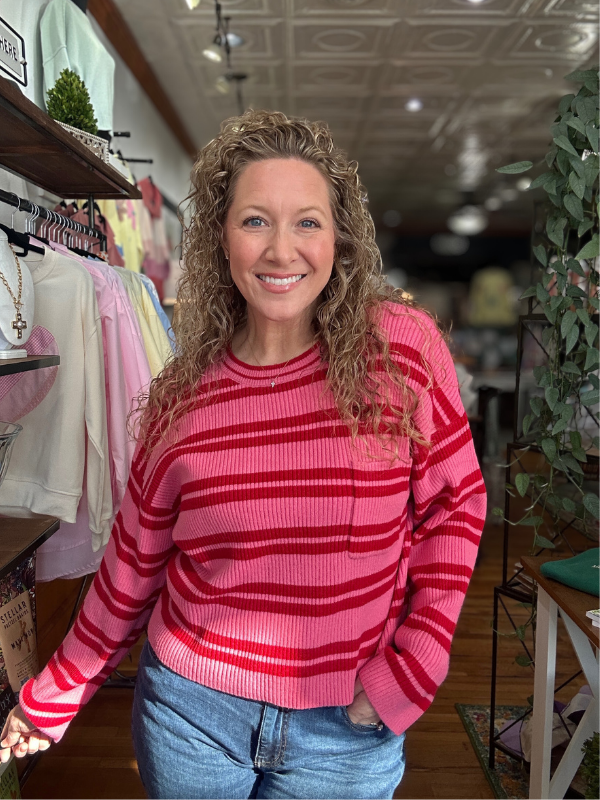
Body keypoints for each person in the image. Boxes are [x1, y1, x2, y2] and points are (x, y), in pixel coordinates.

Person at [0, 110, 486, 800]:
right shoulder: (180, 397)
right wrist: (52, 695)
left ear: (339, 238)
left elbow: (457, 504)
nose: (281, 250)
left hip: (345, 731)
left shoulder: (401, 349)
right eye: (255, 220)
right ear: (221, 240)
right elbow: (129, 574)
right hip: (190, 720)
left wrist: (417, 663)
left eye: (307, 222)